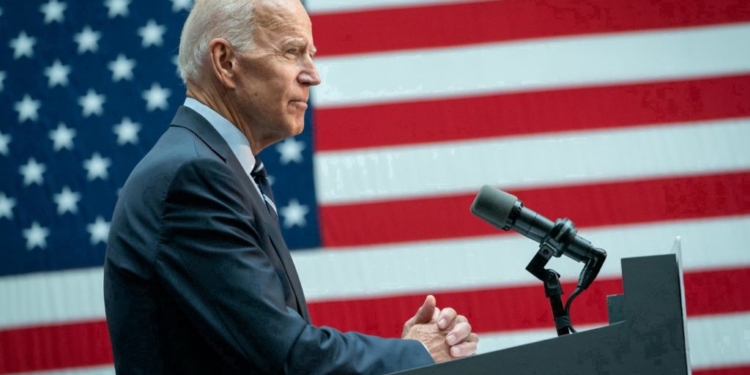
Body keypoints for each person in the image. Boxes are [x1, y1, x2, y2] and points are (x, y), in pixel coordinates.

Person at [103, 0, 479, 373]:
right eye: (292, 52)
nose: (312, 75)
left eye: (310, 54)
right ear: (225, 62)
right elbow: (286, 358)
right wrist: (414, 355)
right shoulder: (196, 176)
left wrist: (407, 353)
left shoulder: (217, 167)